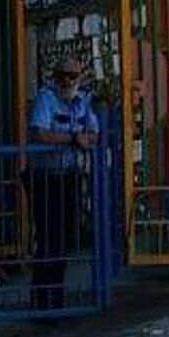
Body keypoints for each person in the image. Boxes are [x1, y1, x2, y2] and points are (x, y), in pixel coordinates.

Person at [26, 56, 100, 311]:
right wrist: (72, 139)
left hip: (69, 174)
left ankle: (56, 300)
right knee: (47, 240)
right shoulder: (46, 98)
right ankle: (42, 302)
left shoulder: (84, 101)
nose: (68, 81)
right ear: (55, 77)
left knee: (65, 238)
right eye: (64, 76)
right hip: (45, 177)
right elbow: (40, 132)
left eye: (73, 76)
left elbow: (93, 135)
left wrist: (79, 139)